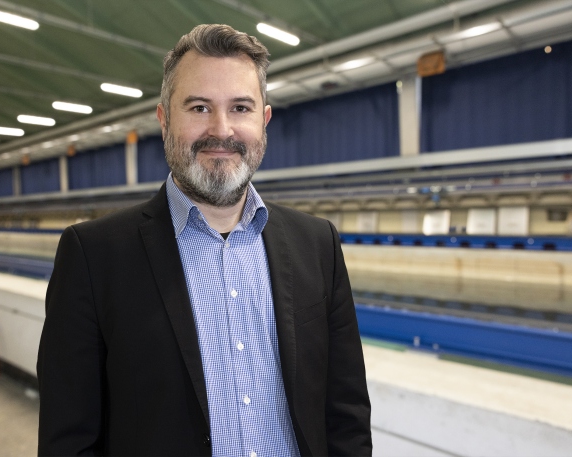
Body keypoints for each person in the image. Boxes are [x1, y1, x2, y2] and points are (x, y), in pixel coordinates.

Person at [37, 24, 371, 457]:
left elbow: (346, 414)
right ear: (164, 117)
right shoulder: (93, 256)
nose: (222, 129)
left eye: (240, 108)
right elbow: (69, 440)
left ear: (264, 120)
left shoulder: (318, 244)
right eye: (198, 107)